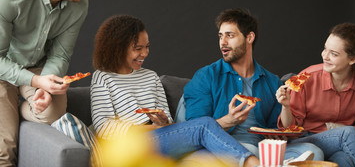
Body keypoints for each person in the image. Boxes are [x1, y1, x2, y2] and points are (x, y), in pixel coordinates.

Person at [90, 15, 262, 167]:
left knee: (205, 153)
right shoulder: (103, 77)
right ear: (118, 48)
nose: (145, 53)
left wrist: (164, 121)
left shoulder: (151, 76)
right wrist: (150, 129)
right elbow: (104, 128)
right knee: (204, 124)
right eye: (138, 48)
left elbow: (168, 120)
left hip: (163, 138)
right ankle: (256, 164)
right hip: (131, 145)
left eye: (147, 46)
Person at [0, 0, 103, 166]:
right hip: (3, 70)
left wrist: (45, 86)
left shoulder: (80, 5)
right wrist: (36, 81)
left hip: (38, 67)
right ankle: (7, 108)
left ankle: (16, 107)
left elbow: (60, 54)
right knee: (5, 149)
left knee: (50, 114)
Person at [183, 8, 323, 163]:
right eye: (220, 36)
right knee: (251, 151)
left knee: (314, 152)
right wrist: (229, 119)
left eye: (230, 35)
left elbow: (278, 130)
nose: (223, 42)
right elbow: (194, 131)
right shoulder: (205, 76)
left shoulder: (272, 81)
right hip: (222, 147)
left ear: (249, 37)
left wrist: (285, 110)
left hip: (262, 146)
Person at [276, 22, 355, 167]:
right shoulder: (307, 77)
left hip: (340, 145)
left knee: (344, 160)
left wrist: (337, 128)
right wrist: (286, 107)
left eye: (333, 54)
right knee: (348, 133)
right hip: (304, 140)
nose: (325, 56)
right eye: (325, 49)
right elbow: (289, 130)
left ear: (352, 59)